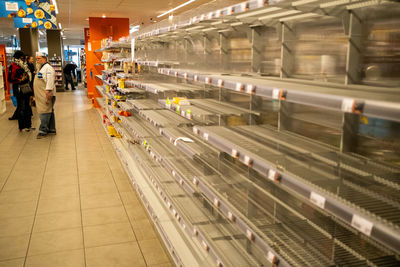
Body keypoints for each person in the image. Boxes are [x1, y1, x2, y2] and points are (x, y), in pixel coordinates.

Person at [8, 50, 34, 131]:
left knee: (27, 107)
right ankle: (21, 127)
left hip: (27, 88)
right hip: (19, 90)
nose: (24, 59)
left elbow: (29, 77)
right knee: (21, 108)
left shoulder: (25, 66)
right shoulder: (13, 66)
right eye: (22, 57)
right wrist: (20, 79)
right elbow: (10, 79)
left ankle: (28, 125)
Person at [34, 52, 56, 139]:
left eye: (39, 58)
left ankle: (43, 130)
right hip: (41, 94)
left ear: (44, 58)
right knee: (49, 110)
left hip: (46, 94)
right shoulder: (41, 67)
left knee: (45, 111)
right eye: (36, 58)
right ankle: (51, 128)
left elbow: (50, 81)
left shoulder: (48, 68)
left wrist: (48, 91)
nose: (37, 60)